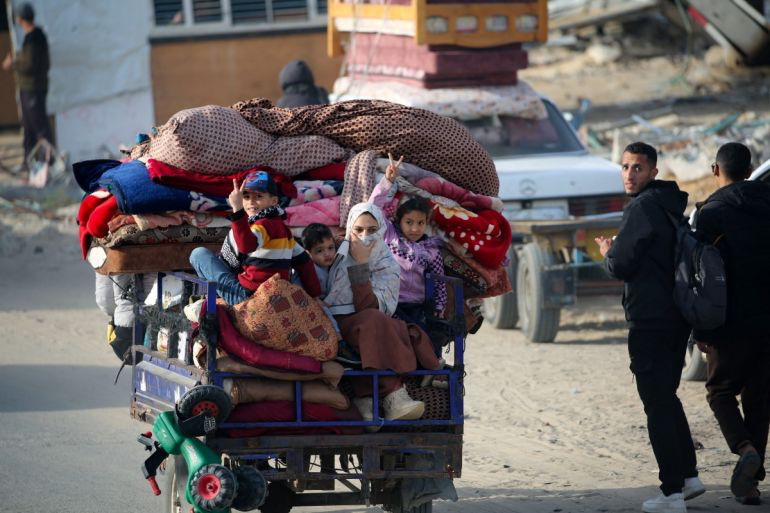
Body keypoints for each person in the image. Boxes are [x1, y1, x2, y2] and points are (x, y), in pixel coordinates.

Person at [595, 142, 703, 513]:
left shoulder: (642, 207)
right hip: (674, 318)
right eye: (625, 167)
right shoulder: (670, 206)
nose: (629, 174)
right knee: (667, 397)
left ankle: (671, 493)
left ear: (653, 171)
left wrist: (608, 252)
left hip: (650, 320)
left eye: (637, 168)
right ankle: (689, 478)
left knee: (656, 403)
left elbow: (622, 264)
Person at [692, 142, 770, 506]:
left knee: (720, 392)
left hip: (730, 320)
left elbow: (703, 274)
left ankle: (744, 448)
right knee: (759, 398)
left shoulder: (711, 213)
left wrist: (701, 329)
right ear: (751, 167)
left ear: (715, 170)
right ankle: (751, 483)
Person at [324, 202, 441, 427]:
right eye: (358, 230)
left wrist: (361, 266)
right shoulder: (334, 255)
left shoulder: (388, 264)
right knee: (379, 323)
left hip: (368, 322)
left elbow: (369, 306)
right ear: (349, 229)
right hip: (336, 325)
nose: (364, 236)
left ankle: (373, 400)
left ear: (381, 232)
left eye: (371, 230)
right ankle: (391, 393)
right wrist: (358, 264)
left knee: (380, 322)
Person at [189, 171, 320, 305]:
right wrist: (315, 294)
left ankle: (214, 299)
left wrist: (238, 211)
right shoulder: (283, 230)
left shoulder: (264, 225)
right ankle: (215, 297)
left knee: (199, 254)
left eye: (258, 196)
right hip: (274, 297)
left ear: (273, 201)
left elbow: (246, 245)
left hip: (247, 297)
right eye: (246, 197)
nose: (251, 201)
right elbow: (304, 262)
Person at [368, 153, 447, 356]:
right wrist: (388, 181)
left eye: (420, 223)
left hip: (417, 307)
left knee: (425, 337)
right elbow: (373, 208)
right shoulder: (390, 237)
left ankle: (432, 369)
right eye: (409, 222)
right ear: (399, 222)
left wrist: (439, 305)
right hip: (390, 304)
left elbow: (439, 281)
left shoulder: (431, 250)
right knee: (396, 337)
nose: (414, 228)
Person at [2, 3, 51, 166]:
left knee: (39, 127)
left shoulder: (34, 38)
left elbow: (30, 65)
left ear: (21, 19)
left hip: (33, 89)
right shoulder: (32, 37)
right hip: (28, 88)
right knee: (29, 128)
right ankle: (28, 163)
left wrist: (13, 63)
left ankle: (48, 162)